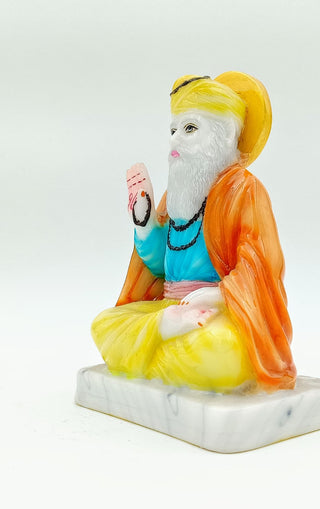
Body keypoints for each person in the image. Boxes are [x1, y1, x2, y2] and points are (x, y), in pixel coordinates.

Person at [91, 72, 296, 392]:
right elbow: (160, 265)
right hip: (170, 309)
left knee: (222, 350)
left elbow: (261, 265)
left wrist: (220, 295)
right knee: (104, 325)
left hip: (215, 312)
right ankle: (163, 330)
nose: (175, 140)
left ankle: (148, 352)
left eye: (189, 129)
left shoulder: (244, 191)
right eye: (173, 130)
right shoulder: (176, 197)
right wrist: (145, 224)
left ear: (225, 137)